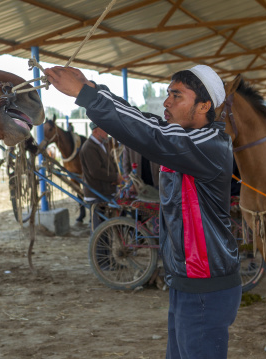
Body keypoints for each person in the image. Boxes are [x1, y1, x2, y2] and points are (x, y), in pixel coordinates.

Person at [45, 64, 241, 359]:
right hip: (186, 282)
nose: (166, 102)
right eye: (167, 94)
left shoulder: (209, 145)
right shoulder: (188, 141)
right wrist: (97, 91)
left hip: (205, 287)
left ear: (204, 106)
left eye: (177, 95)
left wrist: (87, 96)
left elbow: (153, 134)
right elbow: (146, 122)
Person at [79, 121, 122, 231]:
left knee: (107, 230)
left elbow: (110, 165)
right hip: (96, 195)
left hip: (105, 192)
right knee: (100, 231)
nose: (107, 132)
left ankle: (105, 249)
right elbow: (96, 171)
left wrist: (116, 177)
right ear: (95, 131)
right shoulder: (89, 147)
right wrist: (115, 177)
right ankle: (98, 249)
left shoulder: (102, 145)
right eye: (104, 130)